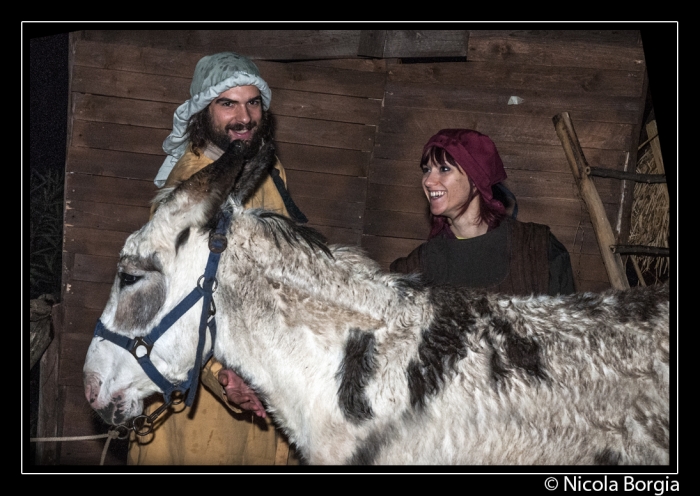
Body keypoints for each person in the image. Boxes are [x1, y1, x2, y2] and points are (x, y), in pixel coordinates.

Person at [129, 52, 304, 466]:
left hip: (268, 362)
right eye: (228, 104)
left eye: (253, 102)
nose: (244, 116)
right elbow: (172, 305)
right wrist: (220, 375)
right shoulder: (189, 192)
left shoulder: (267, 166)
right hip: (206, 398)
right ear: (202, 112)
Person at [390, 129, 574, 297]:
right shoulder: (415, 268)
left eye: (444, 169)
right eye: (426, 170)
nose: (428, 181)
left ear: (476, 179)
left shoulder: (538, 249)